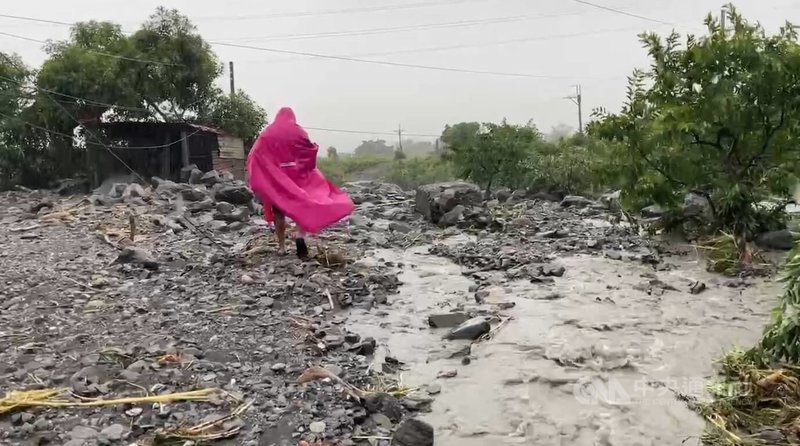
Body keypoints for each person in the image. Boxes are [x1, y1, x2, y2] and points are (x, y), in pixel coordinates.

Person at [247, 107, 354, 258]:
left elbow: (256, 153)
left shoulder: (268, 133)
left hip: (277, 181)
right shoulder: (299, 132)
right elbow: (308, 151)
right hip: (297, 178)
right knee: (301, 208)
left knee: (279, 214)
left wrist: (262, 173)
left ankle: (282, 247)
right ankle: (300, 236)